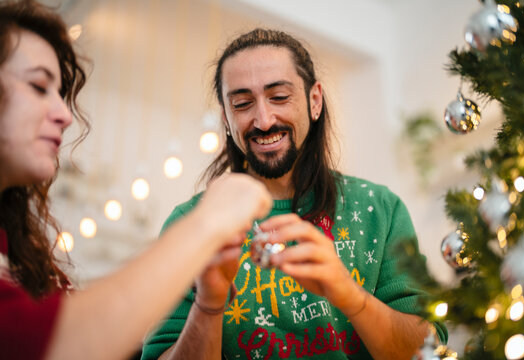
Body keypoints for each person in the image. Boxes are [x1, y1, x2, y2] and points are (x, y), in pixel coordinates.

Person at [141, 28, 447, 360]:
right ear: (226, 118)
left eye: (279, 97)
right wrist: (208, 305)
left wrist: (348, 294)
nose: (263, 119)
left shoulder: (379, 209)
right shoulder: (191, 224)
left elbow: (428, 350)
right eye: (243, 103)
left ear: (314, 101)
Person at [0, 2, 272, 360]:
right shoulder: (191, 215)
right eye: (38, 86)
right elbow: (54, 343)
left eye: (61, 94)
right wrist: (209, 221)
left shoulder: (13, 243)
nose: (65, 114)